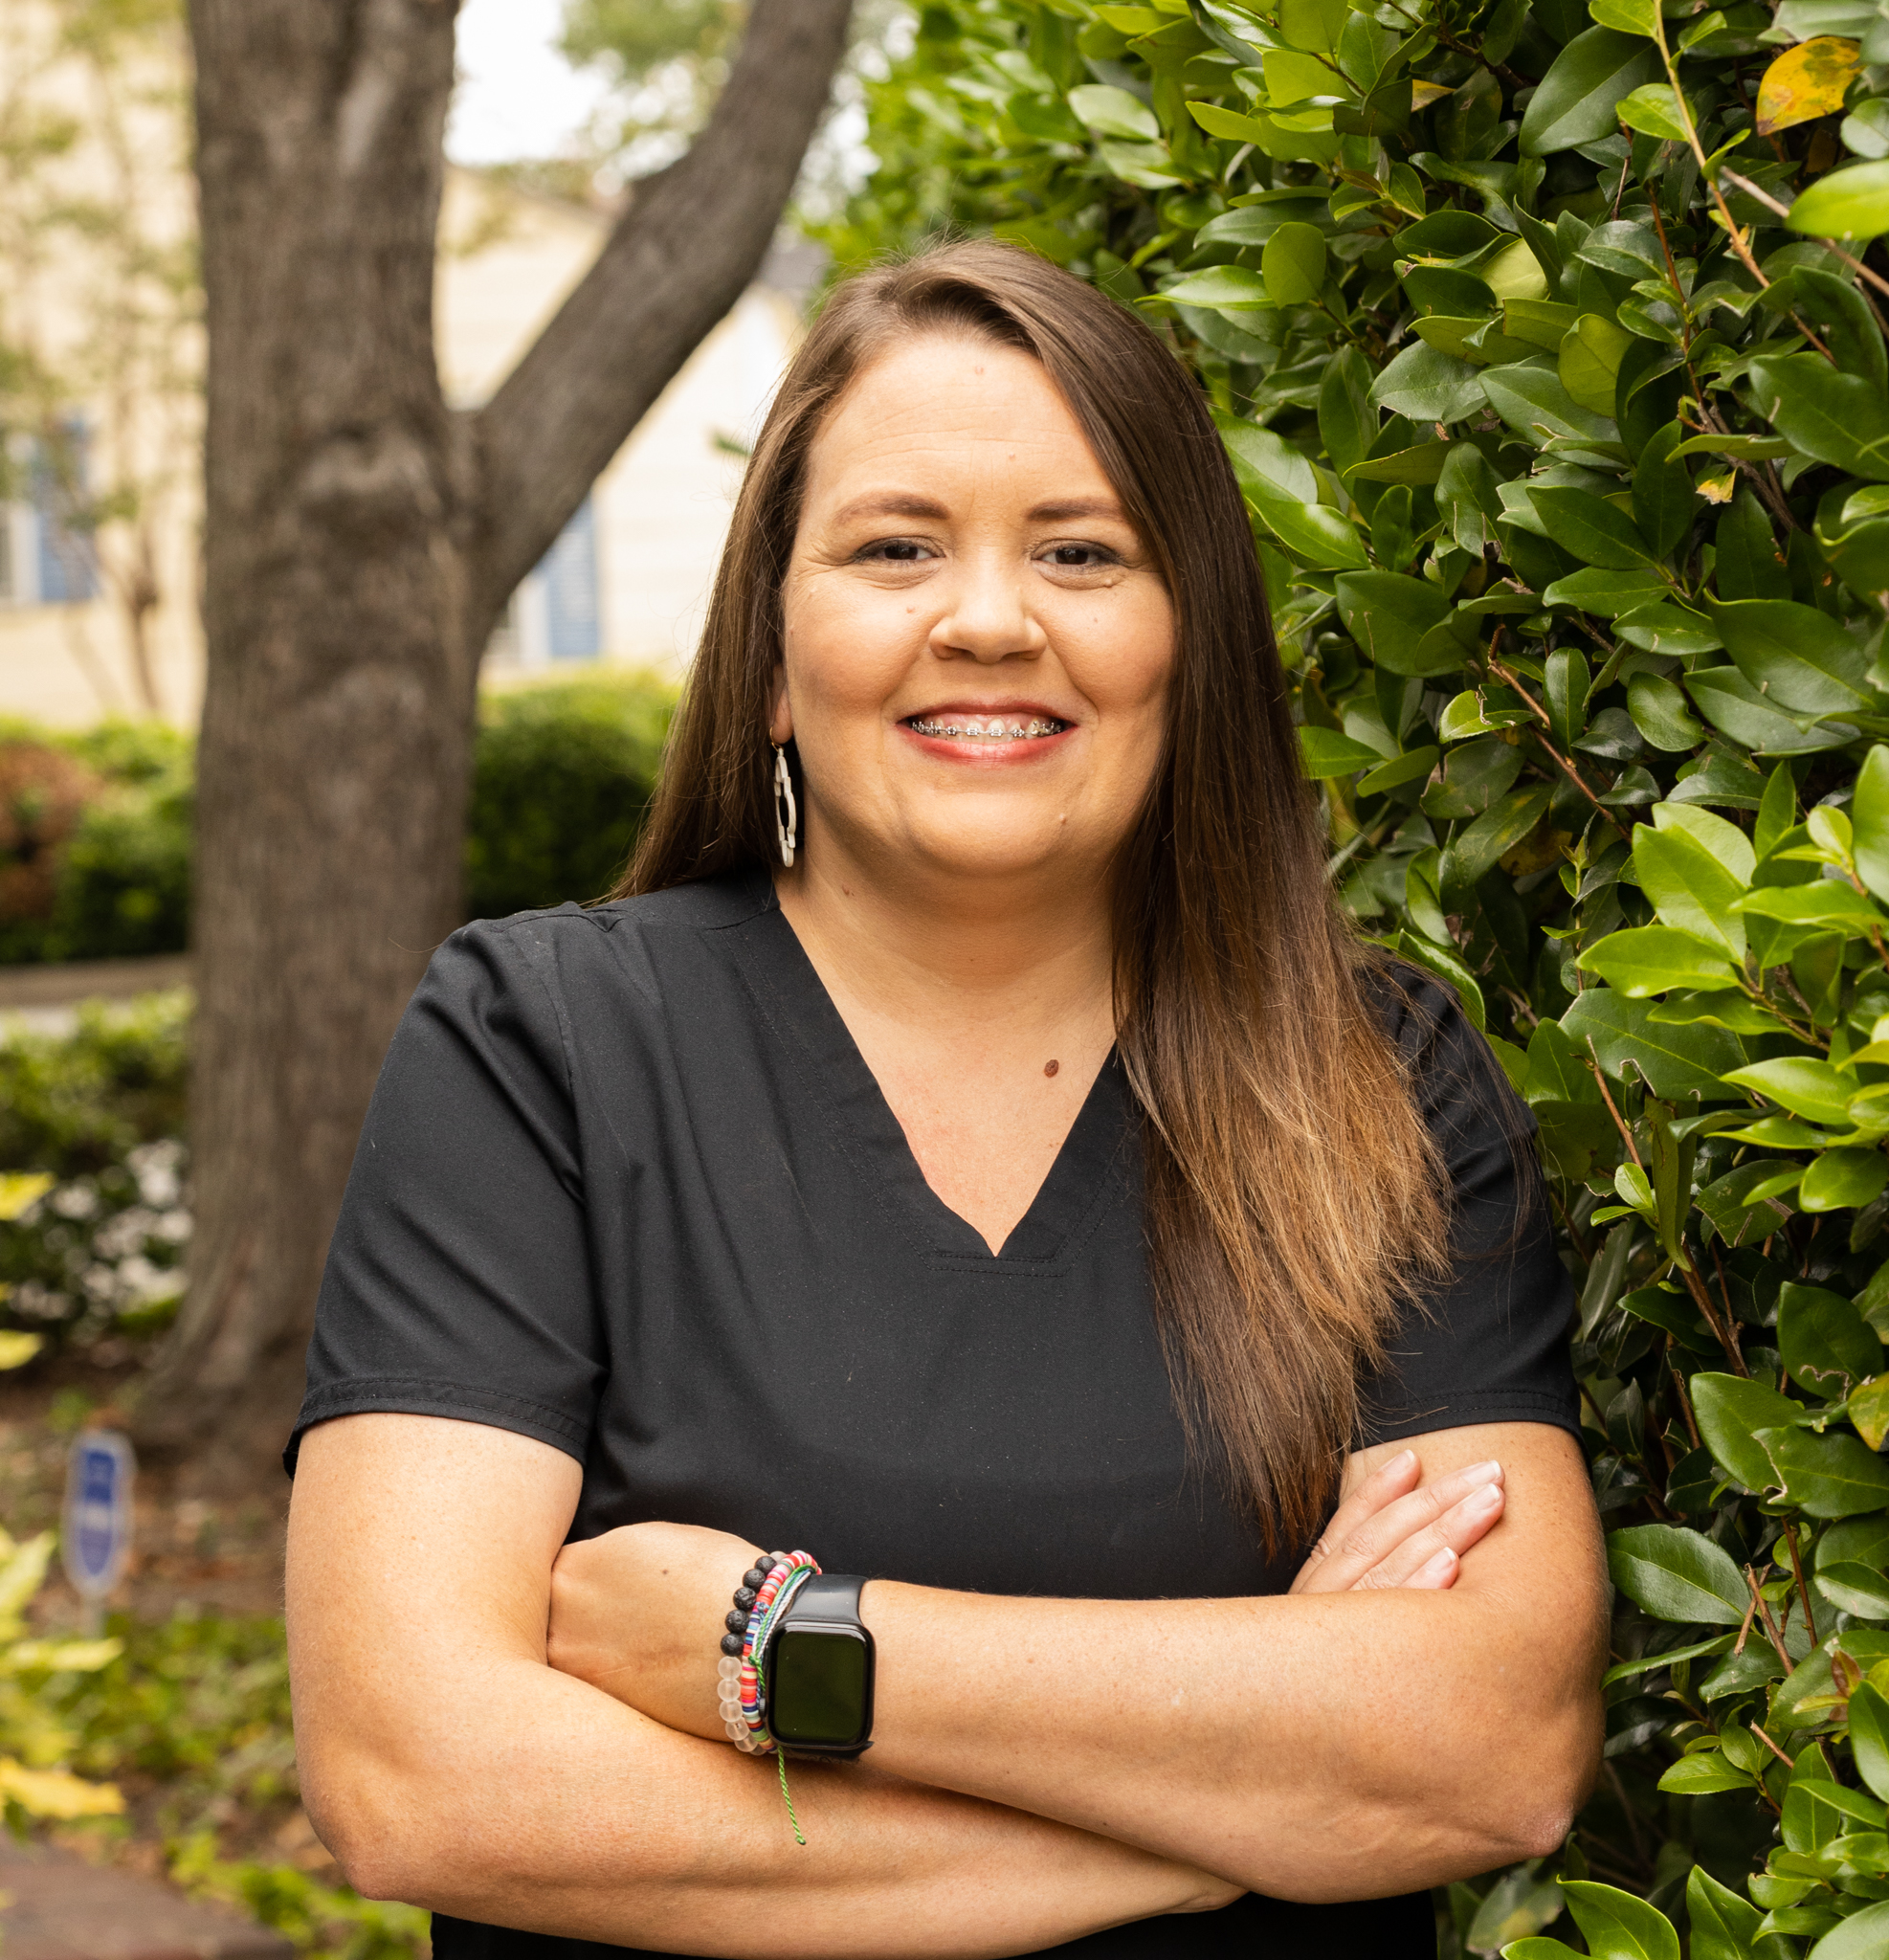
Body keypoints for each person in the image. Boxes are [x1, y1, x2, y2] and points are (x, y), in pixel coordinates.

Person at [284, 240, 1606, 1959]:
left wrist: (770, 1643)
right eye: (895, 546)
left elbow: (1487, 1749)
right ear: (770, 654)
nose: (988, 619)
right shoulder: (539, 1045)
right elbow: (423, 1778)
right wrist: (1244, 1814)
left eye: (1081, 551)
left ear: (1187, 646)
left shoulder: (1381, 1083)